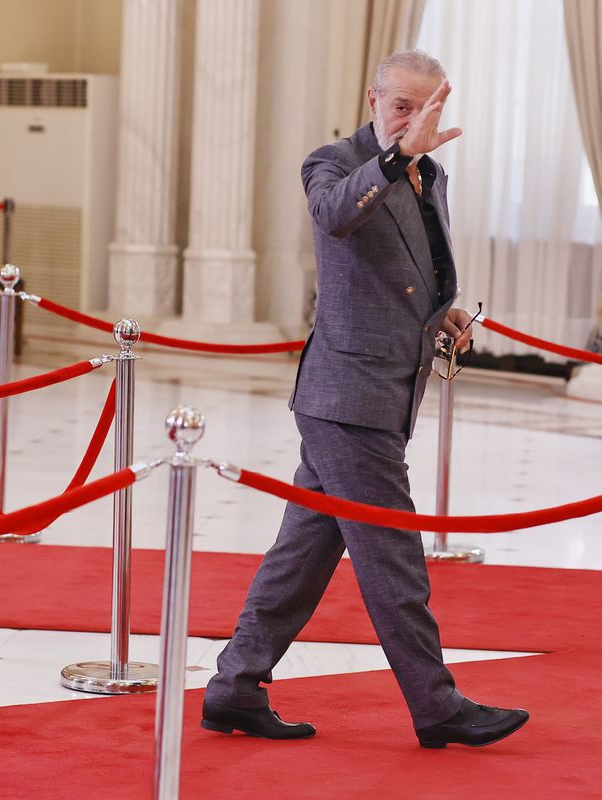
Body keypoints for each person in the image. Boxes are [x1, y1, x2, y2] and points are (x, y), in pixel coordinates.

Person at [202, 49, 529, 749]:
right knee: (393, 554)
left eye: (426, 108)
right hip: (346, 396)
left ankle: (235, 686)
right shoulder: (333, 162)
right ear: (372, 98)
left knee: (303, 552)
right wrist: (394, 158)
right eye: (401, 106)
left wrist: (442, 314)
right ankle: (438, 707)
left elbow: (415, 270)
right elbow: (336, 215)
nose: (412, 121)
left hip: (387, 388)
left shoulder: (430, 174)